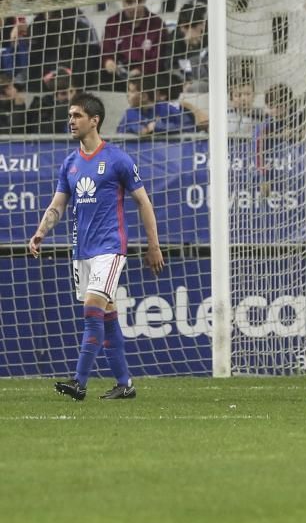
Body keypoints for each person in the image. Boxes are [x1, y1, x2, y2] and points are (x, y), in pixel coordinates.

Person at [30, 92, 165, 400]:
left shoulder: (117, 159)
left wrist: (153, 245)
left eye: (76, 115)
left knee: (91, 312)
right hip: (82, 251)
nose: (70, 120)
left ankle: (79, 382)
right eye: (70, 115)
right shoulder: (70, 163)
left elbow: (143, 202)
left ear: (95, 121)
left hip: (110, 248)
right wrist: (41, 231)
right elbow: (58, 204)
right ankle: (124, 384)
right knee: (106, 315)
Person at [101, 0, 166, 81]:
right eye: (129, 1)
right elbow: (106, 51)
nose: (135, 6)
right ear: (122, 2)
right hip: (117, 76)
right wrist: (108, 61)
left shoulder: (157, 24)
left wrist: (140, 70)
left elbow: (159, 59)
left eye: (139, 1)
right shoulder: (113, 22)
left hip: (146, 77)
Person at [117, 75, 197, 134]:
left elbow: (188, 126)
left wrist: (158, 126)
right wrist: (140, 129)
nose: (127, 94)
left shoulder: (166, 108)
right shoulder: (129, 113)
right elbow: (119, 133)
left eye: (132, 91)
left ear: (144, 96)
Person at [161, 2, 208, 90]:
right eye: (186, 27)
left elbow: (209, 71)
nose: (190, 31)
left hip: (206, 81)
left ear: (202, 24)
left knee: (196, 87)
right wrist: (182, 81)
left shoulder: (211, 38)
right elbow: (170, 67)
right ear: (180, 26)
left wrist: (194, 47)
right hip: (181, 81)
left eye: (194, 26)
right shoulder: (174, 39)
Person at [27, 67, 76, 134]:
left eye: (71, 92)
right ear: (55, 93)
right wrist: (64, 106)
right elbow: (43, 131)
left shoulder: (80, 103)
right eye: (64, 93)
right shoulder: (44, 104)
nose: (68, 96)